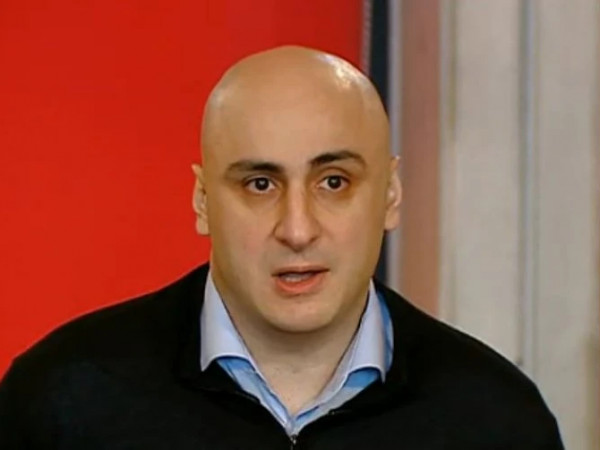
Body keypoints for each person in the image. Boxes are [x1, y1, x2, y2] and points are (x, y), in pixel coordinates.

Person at [0, 46, 563, 449]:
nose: (297, 229)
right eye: (260, 184)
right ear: (202, 201)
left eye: (334, 182)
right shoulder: (60, 400)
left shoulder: (497, 419)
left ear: (390, 196)